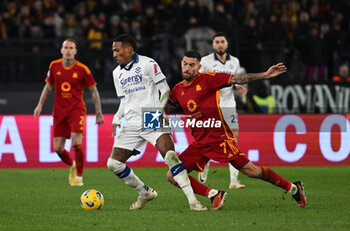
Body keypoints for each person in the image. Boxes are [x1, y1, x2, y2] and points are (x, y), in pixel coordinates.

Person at [166, 50, 306, 209]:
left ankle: (293, 188)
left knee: (252, 171)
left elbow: (239, 78)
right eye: (185, 64)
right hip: (199, 144)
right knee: (173, 175)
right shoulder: (178, 89)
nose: (187, 68)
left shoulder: (208, 80)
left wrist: (265, 75)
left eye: (192, 65)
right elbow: (165, 109)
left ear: (199, 67)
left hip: (220, 140)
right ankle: (213, 194)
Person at [107, 34, 207, 211]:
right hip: (131, 121)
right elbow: (124, 100)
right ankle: (144, 192)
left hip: (150, 116)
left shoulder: (148, 64)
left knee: (170, 157)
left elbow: (165, 89)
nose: (114, 54)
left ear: (129, 49)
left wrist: (158, 111)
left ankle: (193, 201)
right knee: (113, 164)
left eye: (117, 50)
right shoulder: (117, 73)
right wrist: (117, 117)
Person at [33, 38, 104, 186]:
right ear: (61, 50)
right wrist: (40, 105)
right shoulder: (54, 66)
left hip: (76, 110)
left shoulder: (82, 69)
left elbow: (94, 91)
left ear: (75, 51)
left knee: (77, 144)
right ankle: (72, 164)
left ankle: (79, 177)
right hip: (59, 111)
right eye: (66, 47)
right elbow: (48, 87)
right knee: (58, 148)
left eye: (71, 48)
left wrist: (98, 113)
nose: (68, 50)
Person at [198, 32, 247, 189]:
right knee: (208, 139)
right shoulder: (205, 62)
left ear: (227, 44)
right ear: (213, 45)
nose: (220, 44)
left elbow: (234, 78)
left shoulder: (235, 62)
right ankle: (204, 165)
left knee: (233, 140)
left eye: (222, 41)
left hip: (228, 105)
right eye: (217, 42)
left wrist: (238, 85)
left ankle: (233, 180)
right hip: (210, 106)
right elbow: (198, 82)